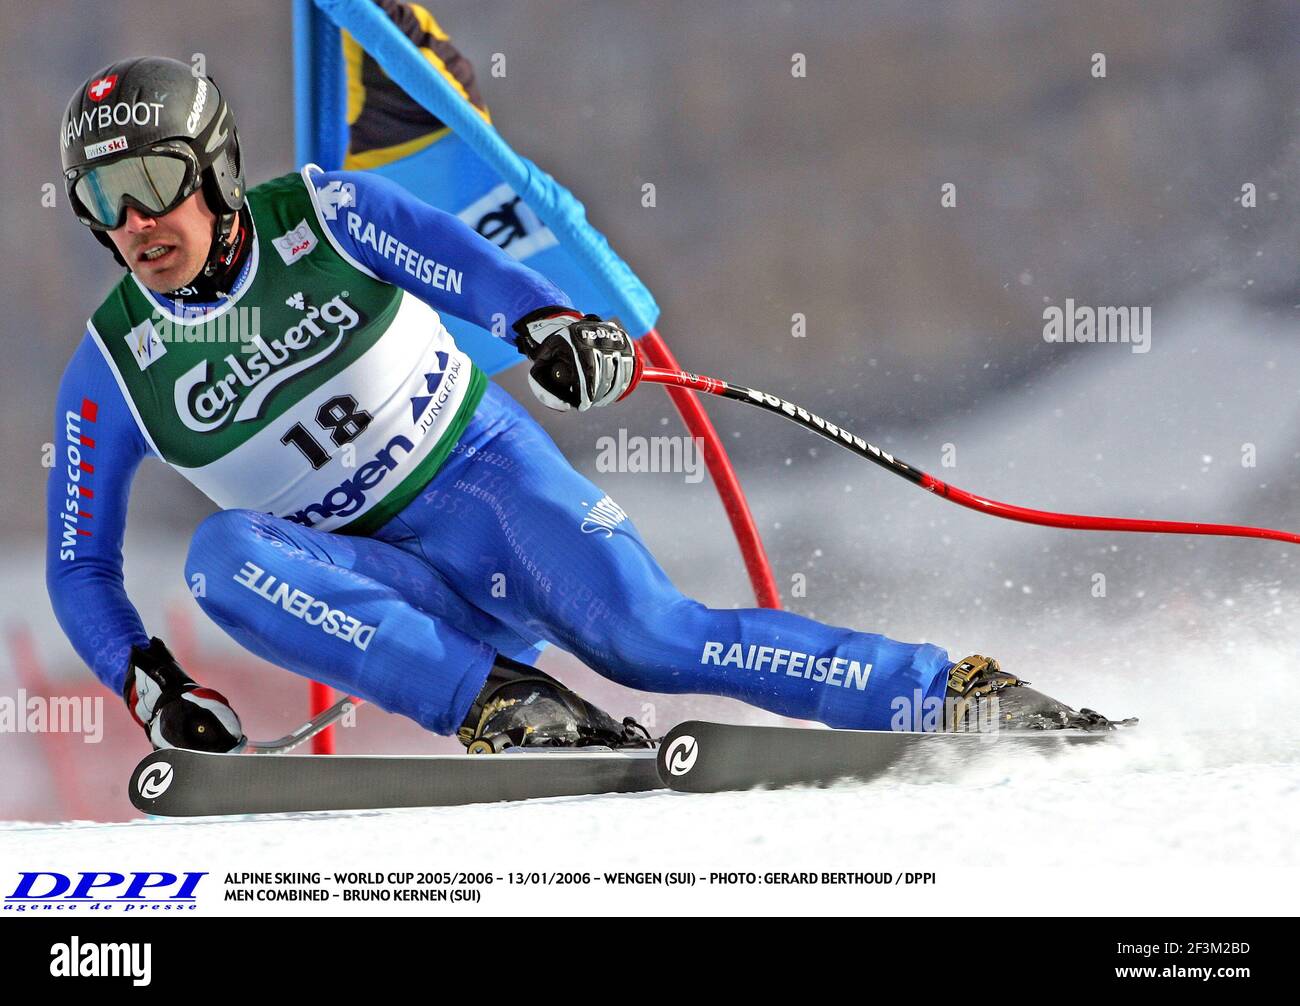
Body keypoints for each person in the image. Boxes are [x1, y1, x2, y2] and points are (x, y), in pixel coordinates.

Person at [49, 57, 1120, 755]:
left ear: (218, 173)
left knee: (651, 640)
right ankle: (503, 706)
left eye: (153, 179)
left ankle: (947, 691)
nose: (135, 218)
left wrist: (549, 325)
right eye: (104, 198)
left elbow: (464, 266)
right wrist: (148, 684)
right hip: (379, 587)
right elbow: (80, 564)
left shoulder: (321, 214)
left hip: (488, 488)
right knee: (220, 559)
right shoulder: (112, 366)